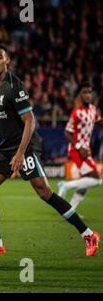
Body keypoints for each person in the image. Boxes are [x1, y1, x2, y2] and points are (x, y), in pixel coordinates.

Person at [0, 43, 99, 256]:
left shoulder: (15, 86)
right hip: (4, 146)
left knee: (44, 192)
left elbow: (30, 121)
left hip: (26, 145)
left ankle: (87, 234)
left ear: (7, 61)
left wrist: (21, 153)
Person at [57, 82, 102, 210]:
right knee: (97, 179)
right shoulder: (77, 113)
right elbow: (67, 132)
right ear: (80, 96)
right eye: (85, 92)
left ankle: (71, 209)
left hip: (86, 150)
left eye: (89, 92)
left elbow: (99, 121)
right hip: (77, 150)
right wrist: (78, 147)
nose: (88, 95)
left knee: (86, 182)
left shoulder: (93, 110)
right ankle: (66, 185)